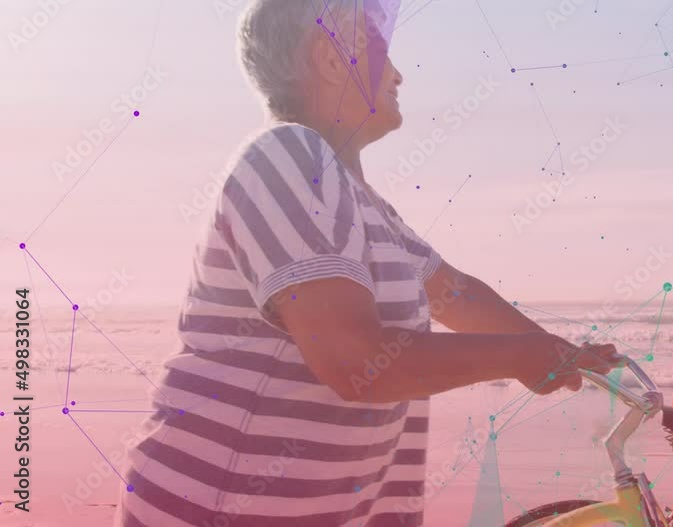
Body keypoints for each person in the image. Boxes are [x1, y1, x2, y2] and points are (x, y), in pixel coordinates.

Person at [114, 1, 620, 525]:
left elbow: (456, 293)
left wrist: (564, 355)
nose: (399, 75)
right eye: (381, 53)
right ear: (332, 60)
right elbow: (355, 360)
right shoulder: (288, 155)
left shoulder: (366, 202)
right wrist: (520, 357)